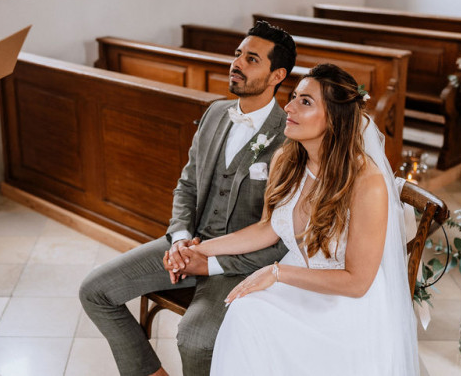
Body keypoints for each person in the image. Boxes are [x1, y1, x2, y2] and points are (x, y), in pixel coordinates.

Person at [79, 21, 297, 376]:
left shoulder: (291, 138)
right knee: (95, 291)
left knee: (195, 339)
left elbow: (281, 236)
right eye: (237, 54)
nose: (237, 64)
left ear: (277, 75)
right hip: (187, 244)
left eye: (252, 59)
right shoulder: (214, 113)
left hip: (239, 263)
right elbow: (187, 185)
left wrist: (207, 263)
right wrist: (181, 240)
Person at [177, 63, 419, 375]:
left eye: (305, 101)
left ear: (334, 117)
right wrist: (200, 250)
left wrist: (277, 273)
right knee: (244, 312)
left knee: (256, 318)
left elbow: (358, 283)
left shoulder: (366, 181)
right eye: (293, 97)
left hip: (344, 304)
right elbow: (268, 228)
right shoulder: (286, 158)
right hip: (298, 278)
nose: (288, 106)